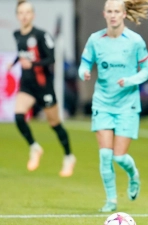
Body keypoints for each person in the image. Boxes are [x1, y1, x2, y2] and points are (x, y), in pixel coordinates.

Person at [78, 0, 148, 212]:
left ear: (123, 14)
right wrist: (83, 72)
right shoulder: (95, 40)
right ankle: (111, 200)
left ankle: (133, 174)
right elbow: (84, 63)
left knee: (119, 156)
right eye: (109, 11)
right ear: (104, 14)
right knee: (104, 154)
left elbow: (147, 70)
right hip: (103, 102)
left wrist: (130, 80)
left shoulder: (135, 41)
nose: (113, 15)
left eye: (116, 11)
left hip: (127, 105)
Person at [8, 0, 76, 177]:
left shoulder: (41, 35)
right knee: (18, 116)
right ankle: (34, 147)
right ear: (17, 16)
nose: (24, 16)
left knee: (54, 124)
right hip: (27, 86)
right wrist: (13, 62)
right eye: (21, 13)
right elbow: (22, 53)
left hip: (43, 86)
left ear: (33, 15)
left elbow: (51, 59)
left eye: (27, 12)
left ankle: (69, 156)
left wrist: (33, 63)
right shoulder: (17, 34)